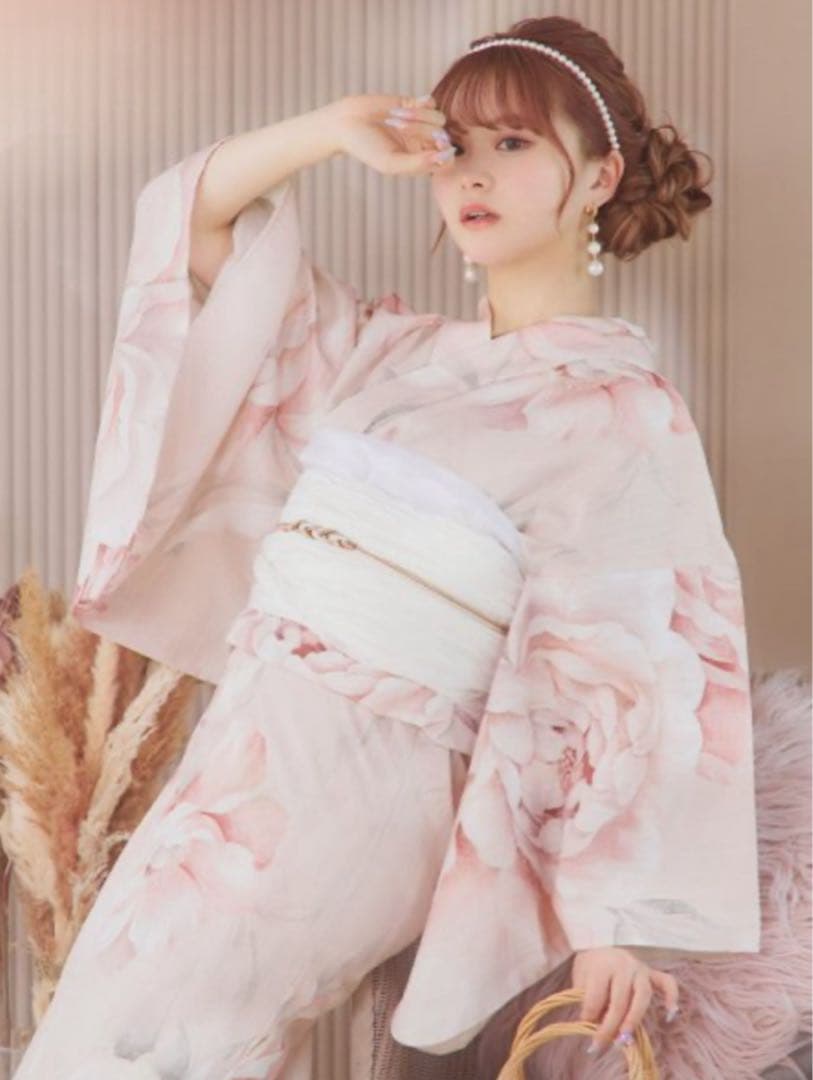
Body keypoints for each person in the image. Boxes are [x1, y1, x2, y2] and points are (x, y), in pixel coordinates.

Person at [14, 14, 760, 1079]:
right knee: (126, 1031)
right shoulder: (383, 353)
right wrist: (329, 129)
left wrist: (615, 923)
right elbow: (191, 231)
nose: (472, 174)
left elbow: (640, 661)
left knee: (152, 1040)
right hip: (244, 750)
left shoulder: (622, 413)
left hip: (370, 777)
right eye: (457, 147)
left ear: (599, 177)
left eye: (513, 143)